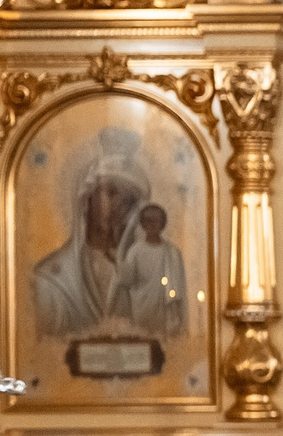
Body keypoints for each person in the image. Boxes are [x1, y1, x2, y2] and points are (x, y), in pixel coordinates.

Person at [34, 130, 152, 339]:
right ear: (87, 198)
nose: (117, 207)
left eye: (128, 202)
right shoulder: (50, 278)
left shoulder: (142, 274)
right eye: (111, 193)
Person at [116, 204, 189, 336]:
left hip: (165, 309)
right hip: (142, 307)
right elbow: (128, 279)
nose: (152, 225)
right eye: (148, 220)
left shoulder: (172, 252)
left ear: (162, 223)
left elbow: (180, 286)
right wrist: (118, 264)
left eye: (156, 220)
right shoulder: (136, 251)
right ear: (143, 224)